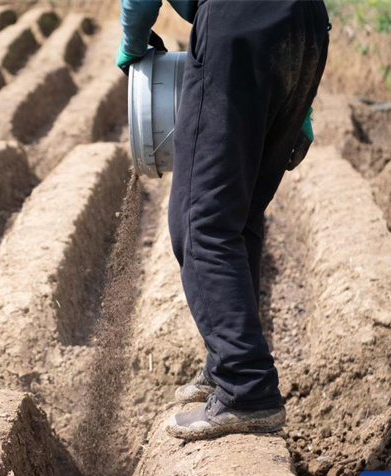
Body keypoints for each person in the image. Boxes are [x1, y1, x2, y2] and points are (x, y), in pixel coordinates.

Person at [117, 0, 329, 441]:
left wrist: (132, 44)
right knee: (240, 209)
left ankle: (247, 387)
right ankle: (224, 365)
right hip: (306, 26)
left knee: (201, 220)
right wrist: (297, 101)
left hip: (239, 26)